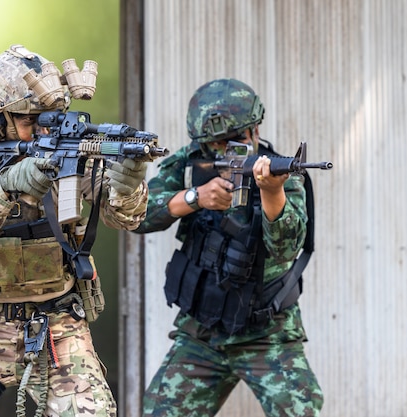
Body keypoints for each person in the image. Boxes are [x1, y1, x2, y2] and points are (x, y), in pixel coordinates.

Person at [0, 44, 148, 417]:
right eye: (31, 122)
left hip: (59, 326)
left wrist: (128, 186)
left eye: (52, 119)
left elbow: (127, 219)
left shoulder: (70, 151)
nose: (45, 130)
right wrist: (4, 187)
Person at [133, 78, 324, 417]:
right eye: (217, 144)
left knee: (301, 411)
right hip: (202, 332)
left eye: (237, 139)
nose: (227, 151)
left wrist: (271, 193)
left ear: (255, 130)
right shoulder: (191, 163)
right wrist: (194, 198)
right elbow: (137, 214)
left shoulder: (283, 175)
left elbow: (286, 248)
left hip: (266, 333)